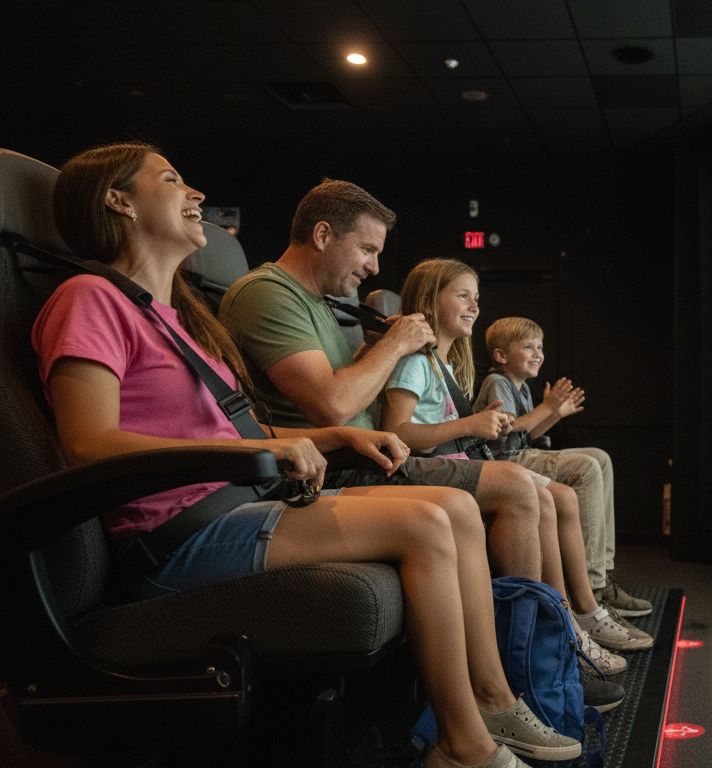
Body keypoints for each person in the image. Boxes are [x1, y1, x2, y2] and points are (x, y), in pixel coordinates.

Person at [34, 143, 580, 768]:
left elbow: (231, 436)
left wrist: (335, 437)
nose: (197, 196)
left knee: (454, 507)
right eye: (171, 179)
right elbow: (87, 442)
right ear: (118, 200)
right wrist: (288, 441)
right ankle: (463, 746)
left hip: (236, 503)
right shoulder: (88, 298)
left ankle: (490, 698)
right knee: (429, 521)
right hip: (177, 532)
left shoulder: (177, 320)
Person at [218, 179, 551, 585]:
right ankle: (539, 633)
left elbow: (343, 389)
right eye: (367, 249)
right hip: (331, 466)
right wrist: (394, 345)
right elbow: (332, 406)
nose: (374, 267)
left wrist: (371, 349)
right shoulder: (268, 293)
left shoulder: (319, 303)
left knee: (533, 490)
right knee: (515, 485)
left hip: (365, 455)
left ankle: (550, 624)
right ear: (322, 235)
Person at [382, 259, 653, 668]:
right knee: (539, 493)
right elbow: (396, 431)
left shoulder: (446, 363)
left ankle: (579, 614)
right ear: (428, 300)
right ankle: (563, 628)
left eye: (477, 297)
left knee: (560, 497)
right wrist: (472, 423)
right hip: (426, 466)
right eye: (463, 295)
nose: (474, 305)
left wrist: (480, 424)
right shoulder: (414, 362)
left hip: (454, 457)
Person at [474, 317, 652, 619]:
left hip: (521, 454)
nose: (537, 353)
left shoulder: (522, 387)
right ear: (501, 356)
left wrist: (556, 412)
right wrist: (548, 407)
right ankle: (593, 586)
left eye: (540, 347)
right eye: (528, 347)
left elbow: (528, 433)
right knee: (584, 467)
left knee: (601, 458)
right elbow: (505, 431)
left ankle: (603, 573)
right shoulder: (497, 382)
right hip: (504, 464)